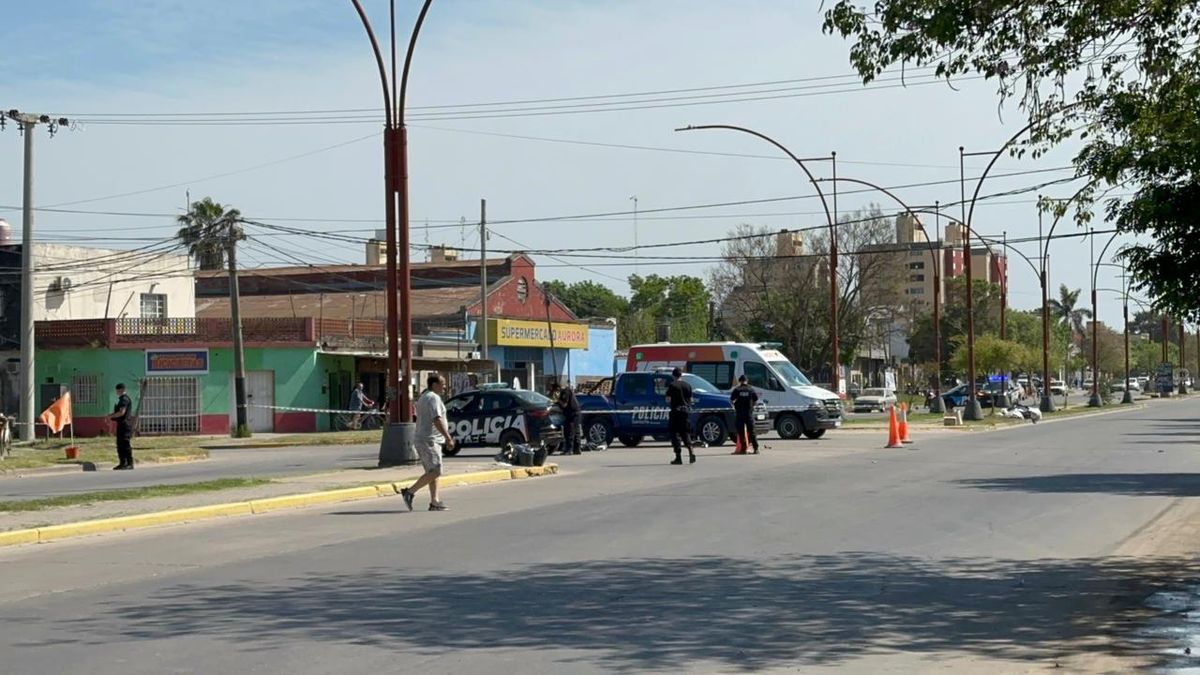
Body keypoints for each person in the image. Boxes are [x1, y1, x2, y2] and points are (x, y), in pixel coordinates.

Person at [400, 374, 455, 511]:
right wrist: (448, 437)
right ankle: (409, 492)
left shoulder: (424, 397)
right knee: (436, 471)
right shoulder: (433, 398)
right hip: (429, 440)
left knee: (432, 471)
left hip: (424, 439)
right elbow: (437, 419)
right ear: (434, 384)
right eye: (442, 384)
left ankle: (434, 502)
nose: (445, 387)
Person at [665, 367, 695, 465]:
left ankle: (678, 457)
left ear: (673, 375)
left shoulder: (672, 385)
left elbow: (668, 399)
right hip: (686, 412)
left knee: (675, 434)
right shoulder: (688, 385)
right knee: (685, 432)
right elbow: (691, 400)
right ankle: (691, 450)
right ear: (681, 375)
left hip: (676, 412)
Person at [729, 374, 760, 454]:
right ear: (747, 381)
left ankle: (743, 449)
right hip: (749, 414)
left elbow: (732, 400)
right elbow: (755, 399)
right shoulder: (751, 389)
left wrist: (736, 405)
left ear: (740, 381)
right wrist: (752, 406)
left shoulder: (737, 390)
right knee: (752, 432)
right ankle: (756, 449)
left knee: (741, 432)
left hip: (740, 414)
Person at [107, 383, 135, 470]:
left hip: (125, 425)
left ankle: (129, 463)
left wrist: (111, 416)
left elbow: (121, 412)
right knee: (120, 445)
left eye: (118, 390)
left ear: (122, 390)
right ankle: (122, 463)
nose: (117, 392)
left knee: (125, 444)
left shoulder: (124, 399)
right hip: (121, 424)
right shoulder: (121, 399)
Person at [556, 383, 581, 455]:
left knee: (569, 432)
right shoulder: (567, 391)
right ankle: (577, 449)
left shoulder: (565, 392)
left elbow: (564, 404)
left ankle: (569, 450)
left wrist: (558, 401)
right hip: (575, 414)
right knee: (575, 432)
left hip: (572, 414)